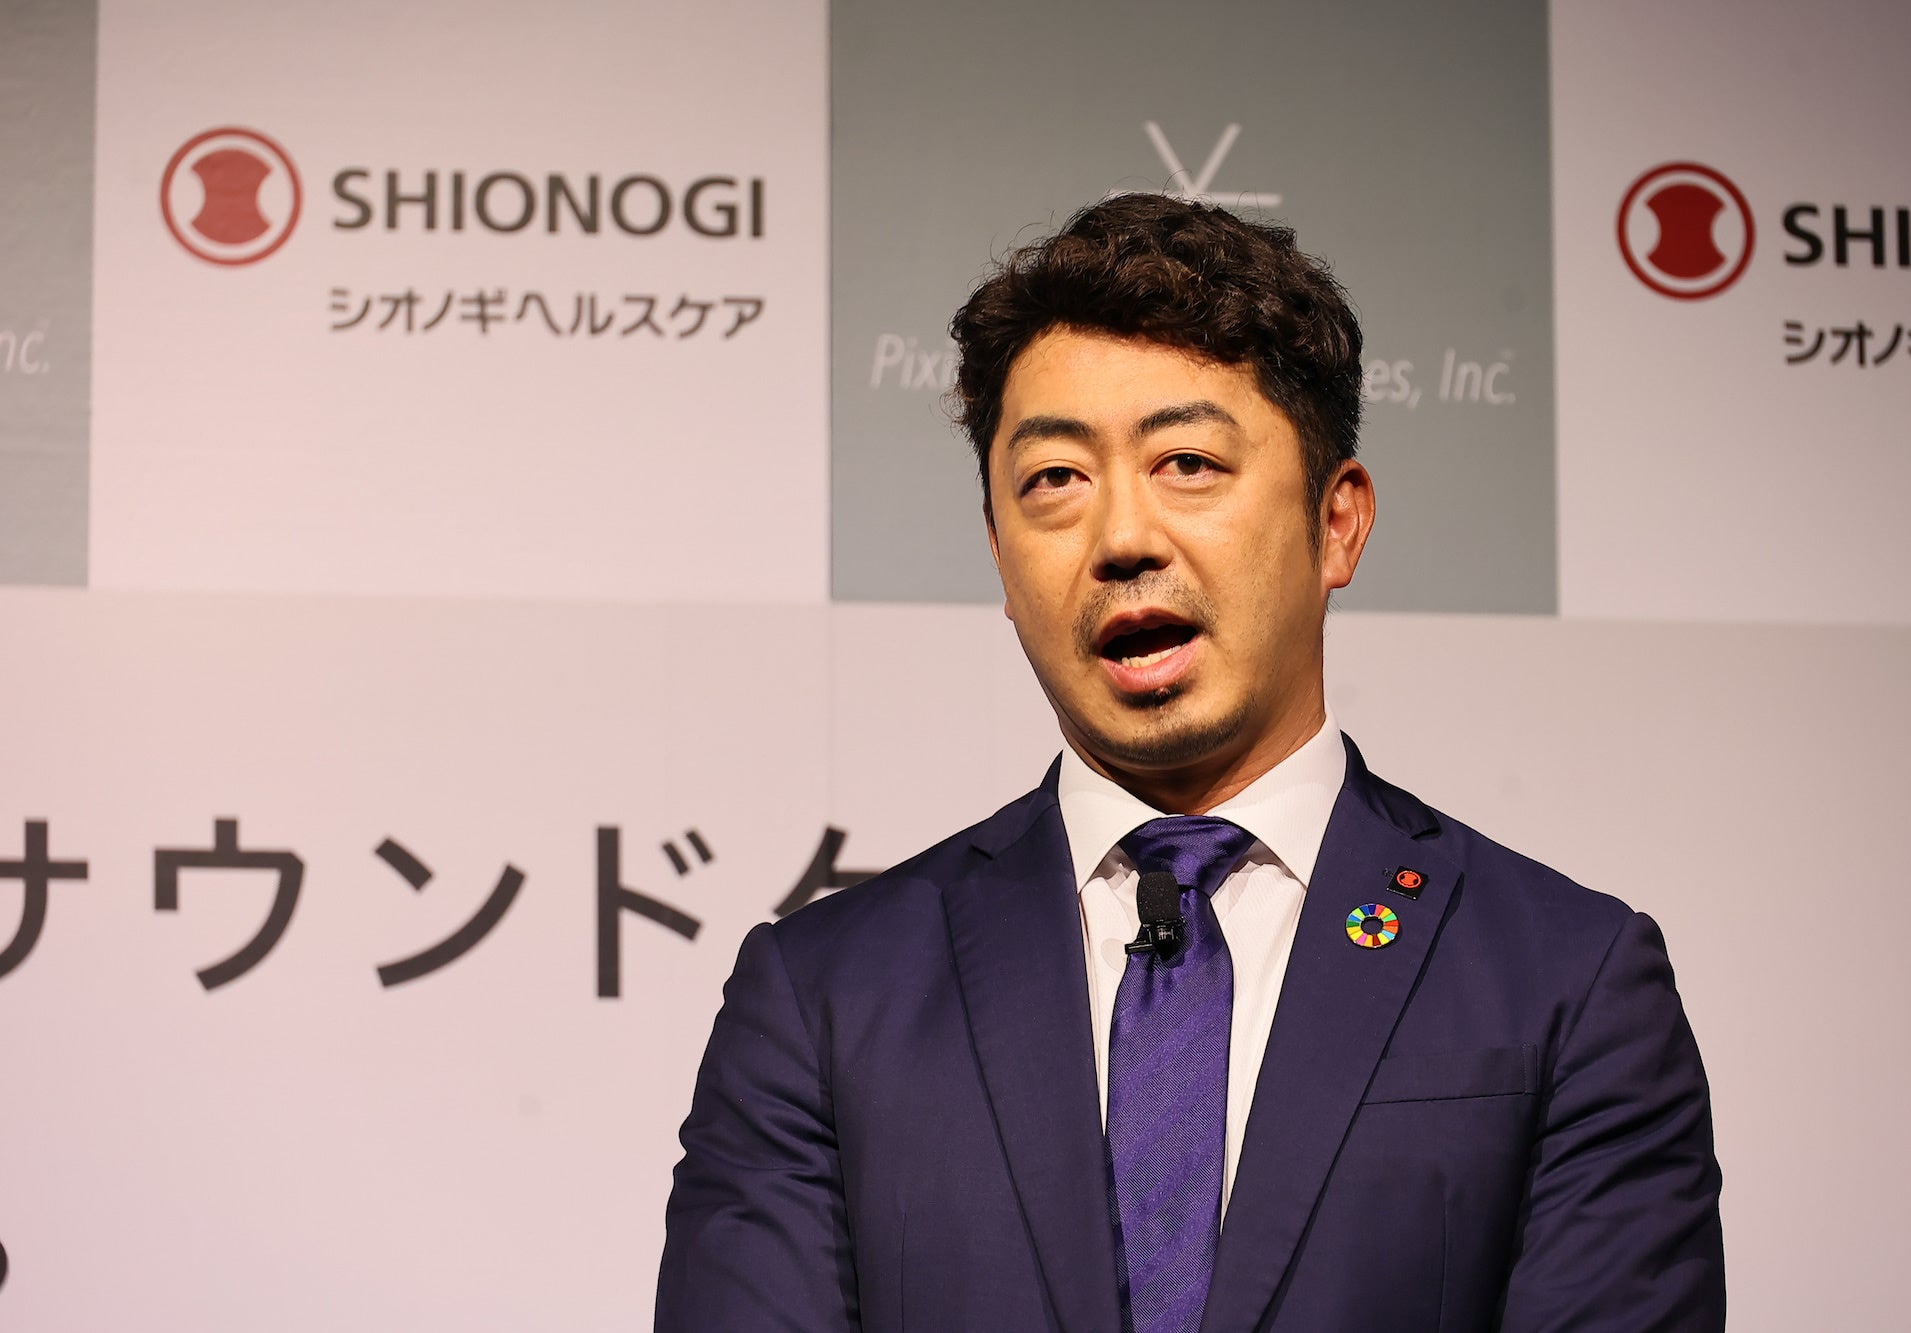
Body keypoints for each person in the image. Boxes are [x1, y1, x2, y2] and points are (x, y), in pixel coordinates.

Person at [654, 195, 1724, 1332]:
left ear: (1337, 523)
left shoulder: (1565, 980)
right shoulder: (824, 998)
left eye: (1188, 462)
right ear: (998, 554)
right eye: (1053, 480)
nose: (1121, 538)